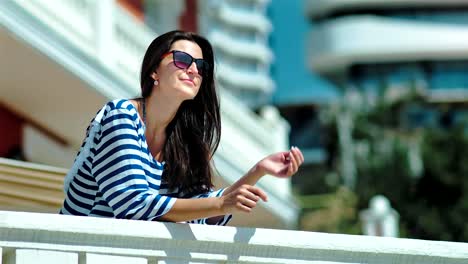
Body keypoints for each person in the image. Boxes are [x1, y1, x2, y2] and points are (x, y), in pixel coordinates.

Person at [60, 30, 304, 225]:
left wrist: (258, 171)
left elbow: (201, 212)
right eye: (183, 59)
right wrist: (222, 204)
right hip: (81, 252)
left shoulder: (184, 140)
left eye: (201, 65)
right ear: (154, 70)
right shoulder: (121, 116)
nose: (194, 69)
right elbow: (133, 205)